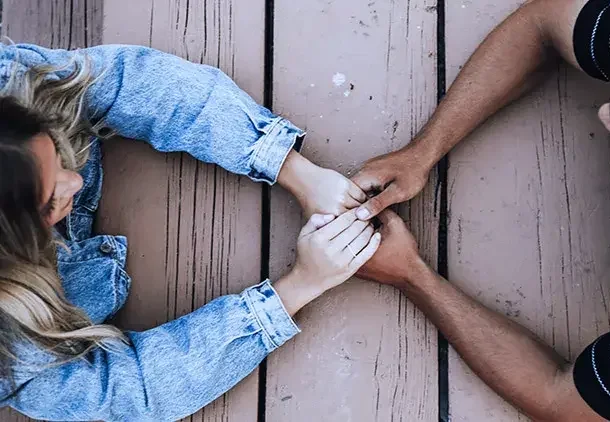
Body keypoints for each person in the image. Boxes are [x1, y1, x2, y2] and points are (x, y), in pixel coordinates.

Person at [353, 1, 610, 421]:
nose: (603, 113)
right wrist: (422, 151)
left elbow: (564, 402)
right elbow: (544, 23)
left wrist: (412, 275)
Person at [0, 43, 381, 421]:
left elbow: (124, 81)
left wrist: (293, 169)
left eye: (53, 147)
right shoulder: (10, 359)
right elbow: (135, 390)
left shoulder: (8, 83)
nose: (74, 182)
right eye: (49, 200)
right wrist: (300, 286)